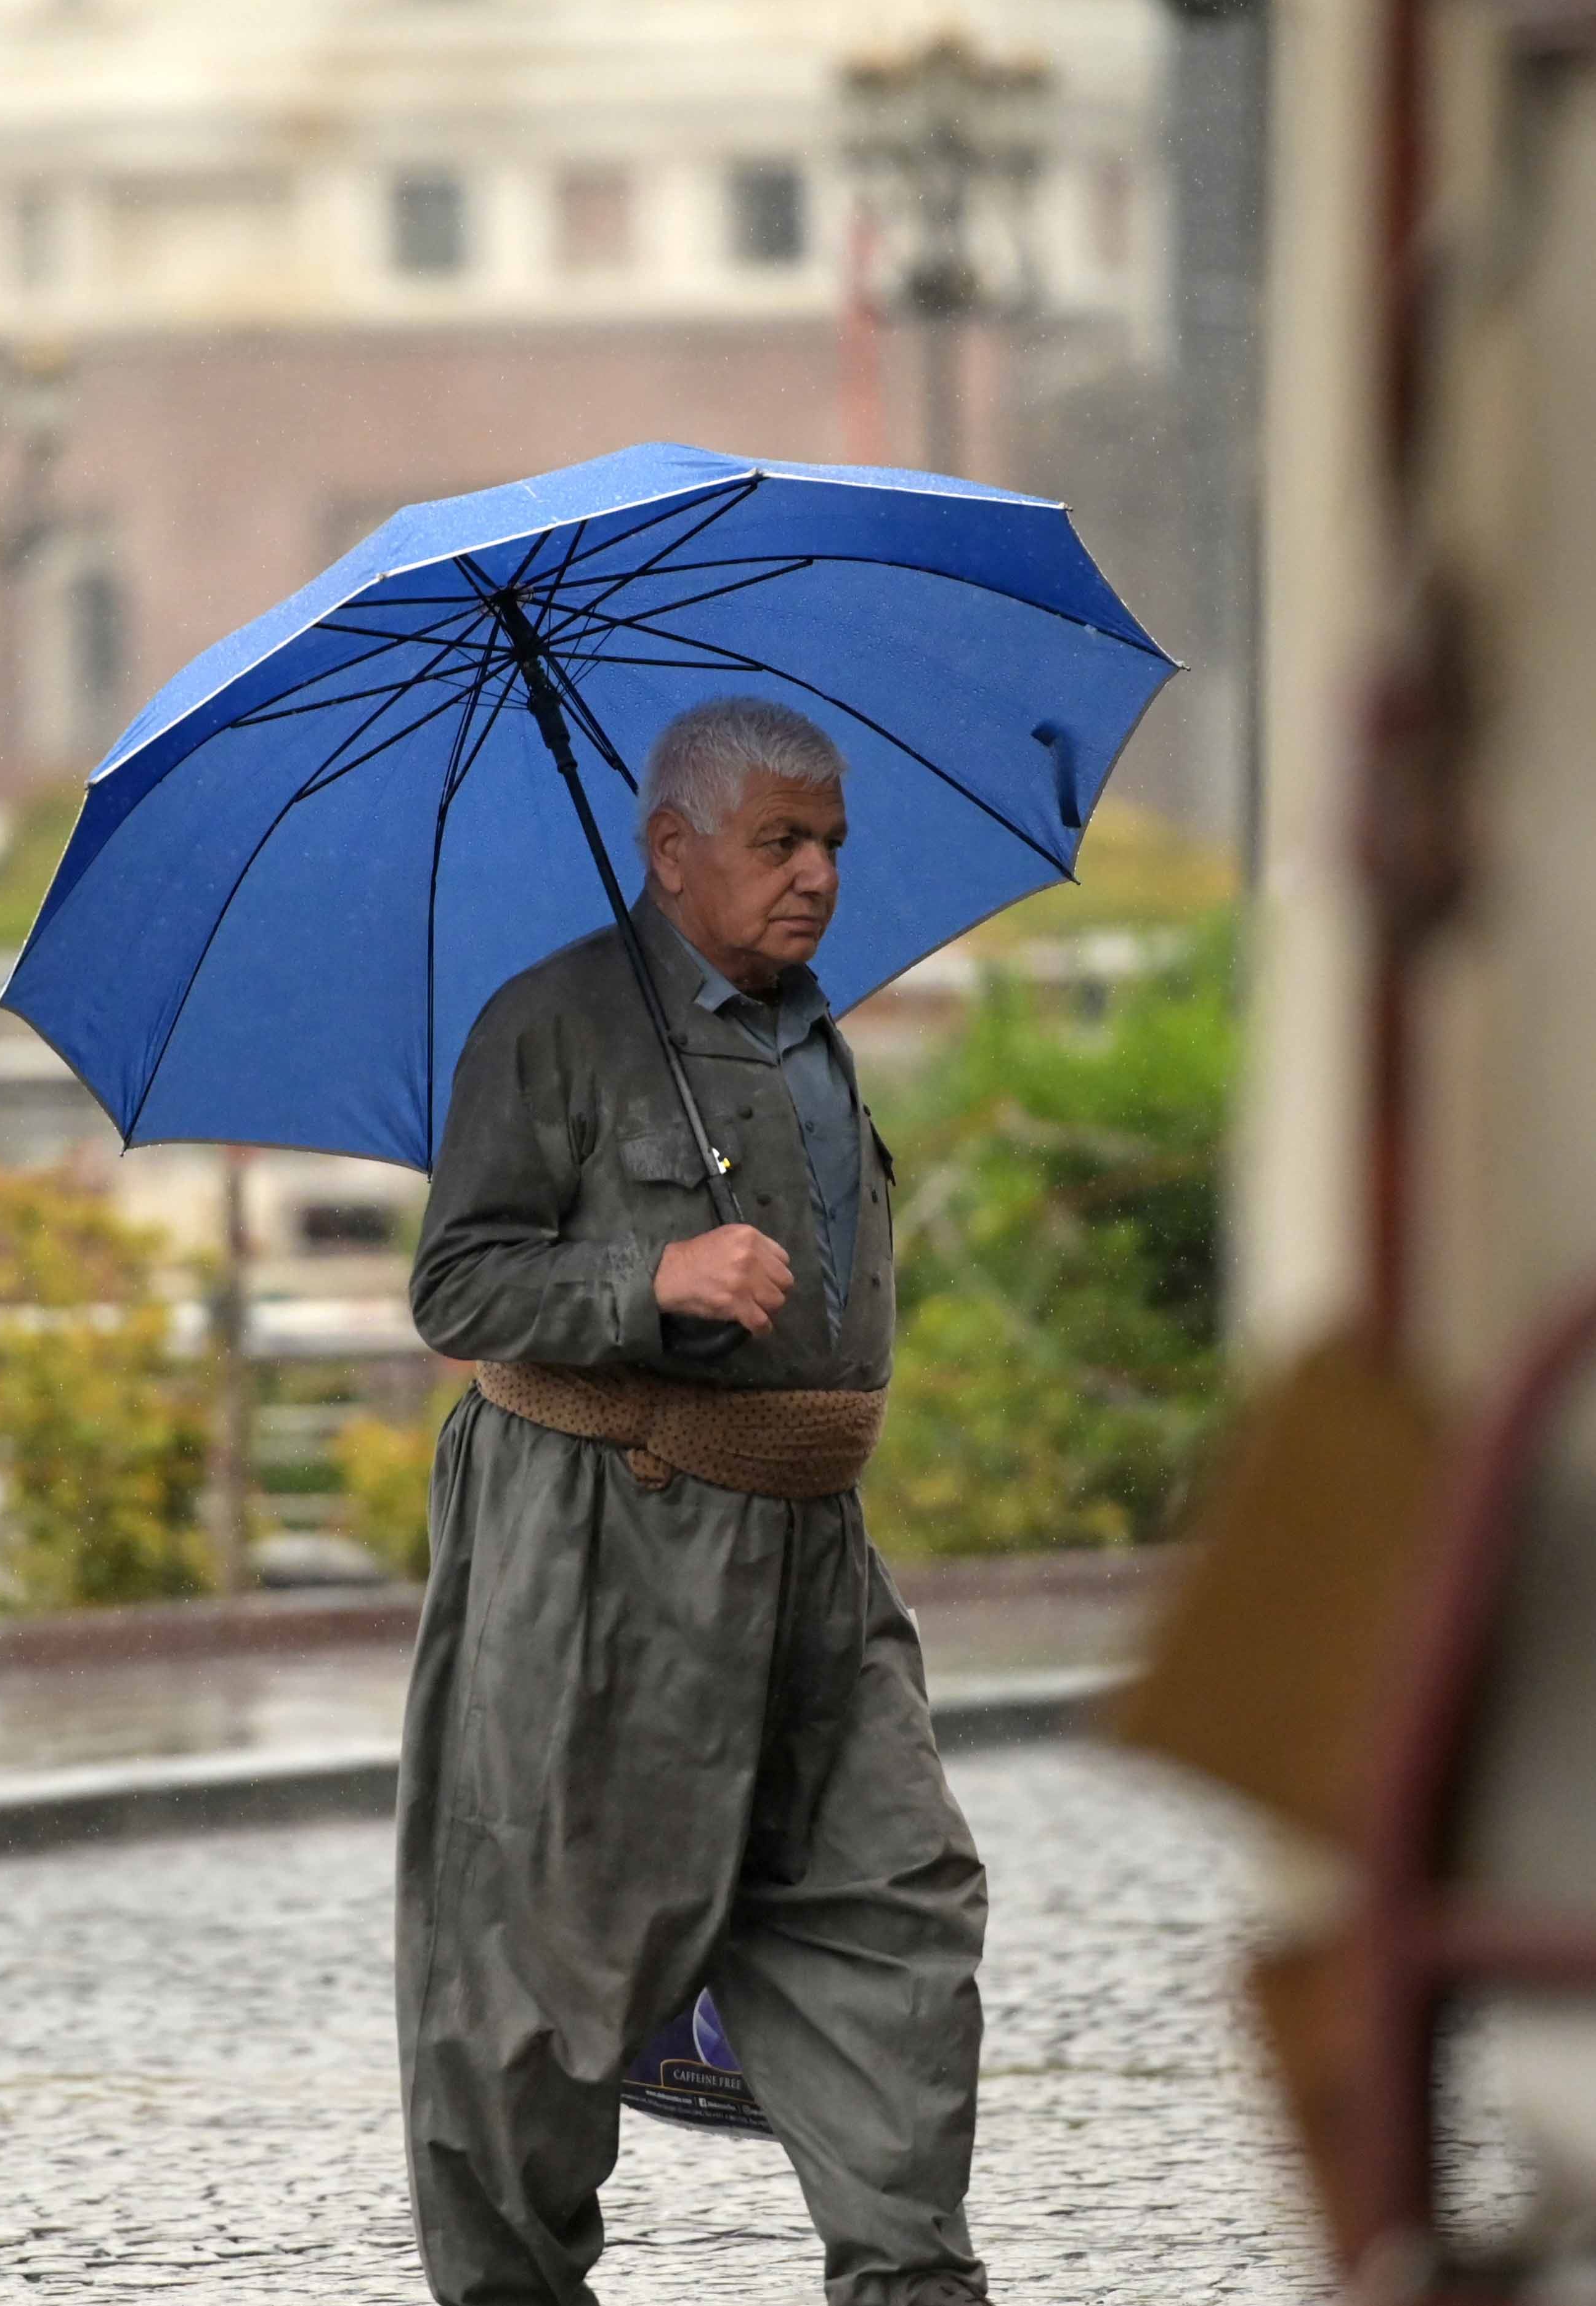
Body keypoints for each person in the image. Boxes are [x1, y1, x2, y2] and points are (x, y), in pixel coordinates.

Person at [397, 696, 990, 2306]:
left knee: (896, 1899)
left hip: (815, 1560)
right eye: (777, 842)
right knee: (540, 1967)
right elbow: (455, 1283)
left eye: (831, 846)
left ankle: (910, 2278)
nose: (816, 878)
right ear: (670, 853)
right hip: (600, 1551)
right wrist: (648, 1274)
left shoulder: (814, 1028)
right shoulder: (552, 1026)